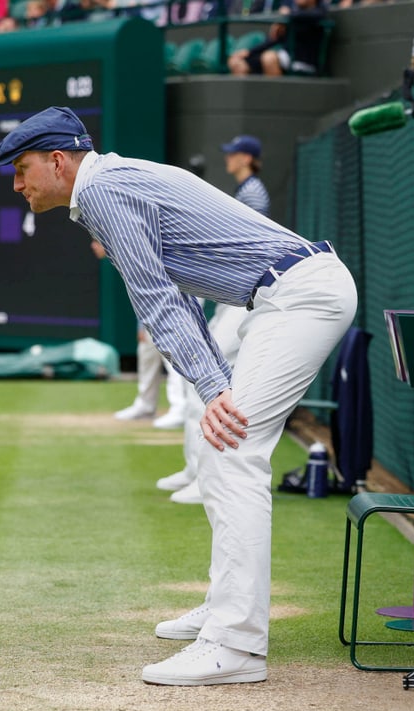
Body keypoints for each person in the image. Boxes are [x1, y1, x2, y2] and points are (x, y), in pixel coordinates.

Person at [0, 106, 357, 686]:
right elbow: (177, 291)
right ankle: (225, 607)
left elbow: (156, 298)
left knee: (233, 447)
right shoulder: (105, 187)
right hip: (275, 297)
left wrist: (212, 388)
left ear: (58, 161)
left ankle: (235, 646)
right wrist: (211, 382)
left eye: (22, 169)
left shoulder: (105, 192)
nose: (17, 185)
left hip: (300, 295)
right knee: (220, 446)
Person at [162, 134, 270, 504]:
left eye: (233, 154)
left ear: (246, 158)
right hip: (235, 297)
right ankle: (195, 472)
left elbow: (242, 249)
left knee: (207, 386)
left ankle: (205, 481)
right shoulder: (246, 191)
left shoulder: (253, 193)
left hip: (245, 297)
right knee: (203, 385)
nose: (228, 159)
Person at [227, 0, 327, 77]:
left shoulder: (318, 11)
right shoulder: (293, 15)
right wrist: (249, 52)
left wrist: (287, 16)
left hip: (304, 63)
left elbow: (317, 15)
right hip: (285, 58)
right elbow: (274, 40)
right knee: (237, 62)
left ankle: (276, 101)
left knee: (269, 58)